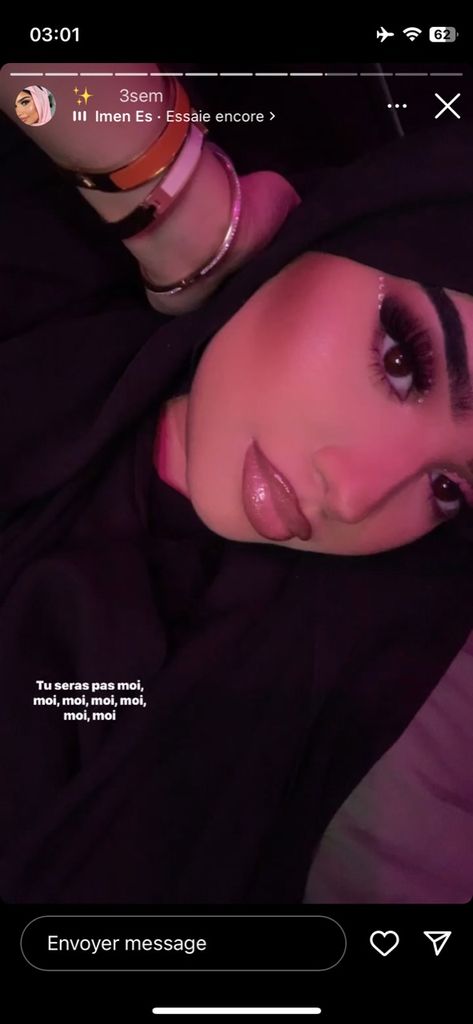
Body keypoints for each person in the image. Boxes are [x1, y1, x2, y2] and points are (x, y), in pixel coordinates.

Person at [0, 66, 472, 903]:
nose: (353, 496)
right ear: (335, 223)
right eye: (402, 359)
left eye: (449, 489)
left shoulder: (304, 687)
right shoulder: (39, 278)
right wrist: (184, 214)